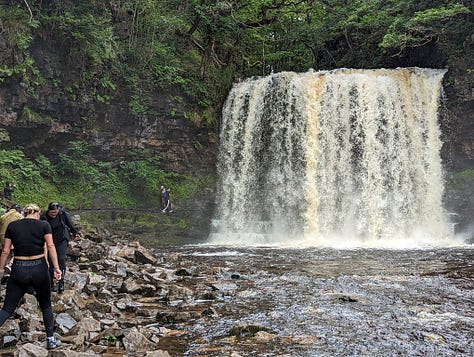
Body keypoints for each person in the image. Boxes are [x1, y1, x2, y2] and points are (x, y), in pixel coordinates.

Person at [0, 203, 62, 349]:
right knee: (46, 305)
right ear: (37, 213)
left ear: (25, 213)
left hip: (19, 268)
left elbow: (5, 251)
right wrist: (57, 268)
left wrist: (1, 269)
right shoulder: (44, 225)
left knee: (7, 308)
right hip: (39, 268)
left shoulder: (13, 226)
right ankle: (51, 340)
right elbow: (51, 246)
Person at [41, 202, 82, 293]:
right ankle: (51, 283)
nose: (53, 214)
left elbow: (70, 225)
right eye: (52, 213)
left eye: (55, 212)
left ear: (58, 210)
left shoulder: (63, 215)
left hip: (62, 240)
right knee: (50, 262)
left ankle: (61, 282)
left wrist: (76, 232)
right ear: (49, 211)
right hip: (49, 241)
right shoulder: (43, 217)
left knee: (61, 259)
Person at [0, 204, 23, 284]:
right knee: (15, 253)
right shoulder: (19, 216)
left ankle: (3, 272)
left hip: (3, 237)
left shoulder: (4, 215)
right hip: (13, 237)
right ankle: (8, 268)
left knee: (5, 253)